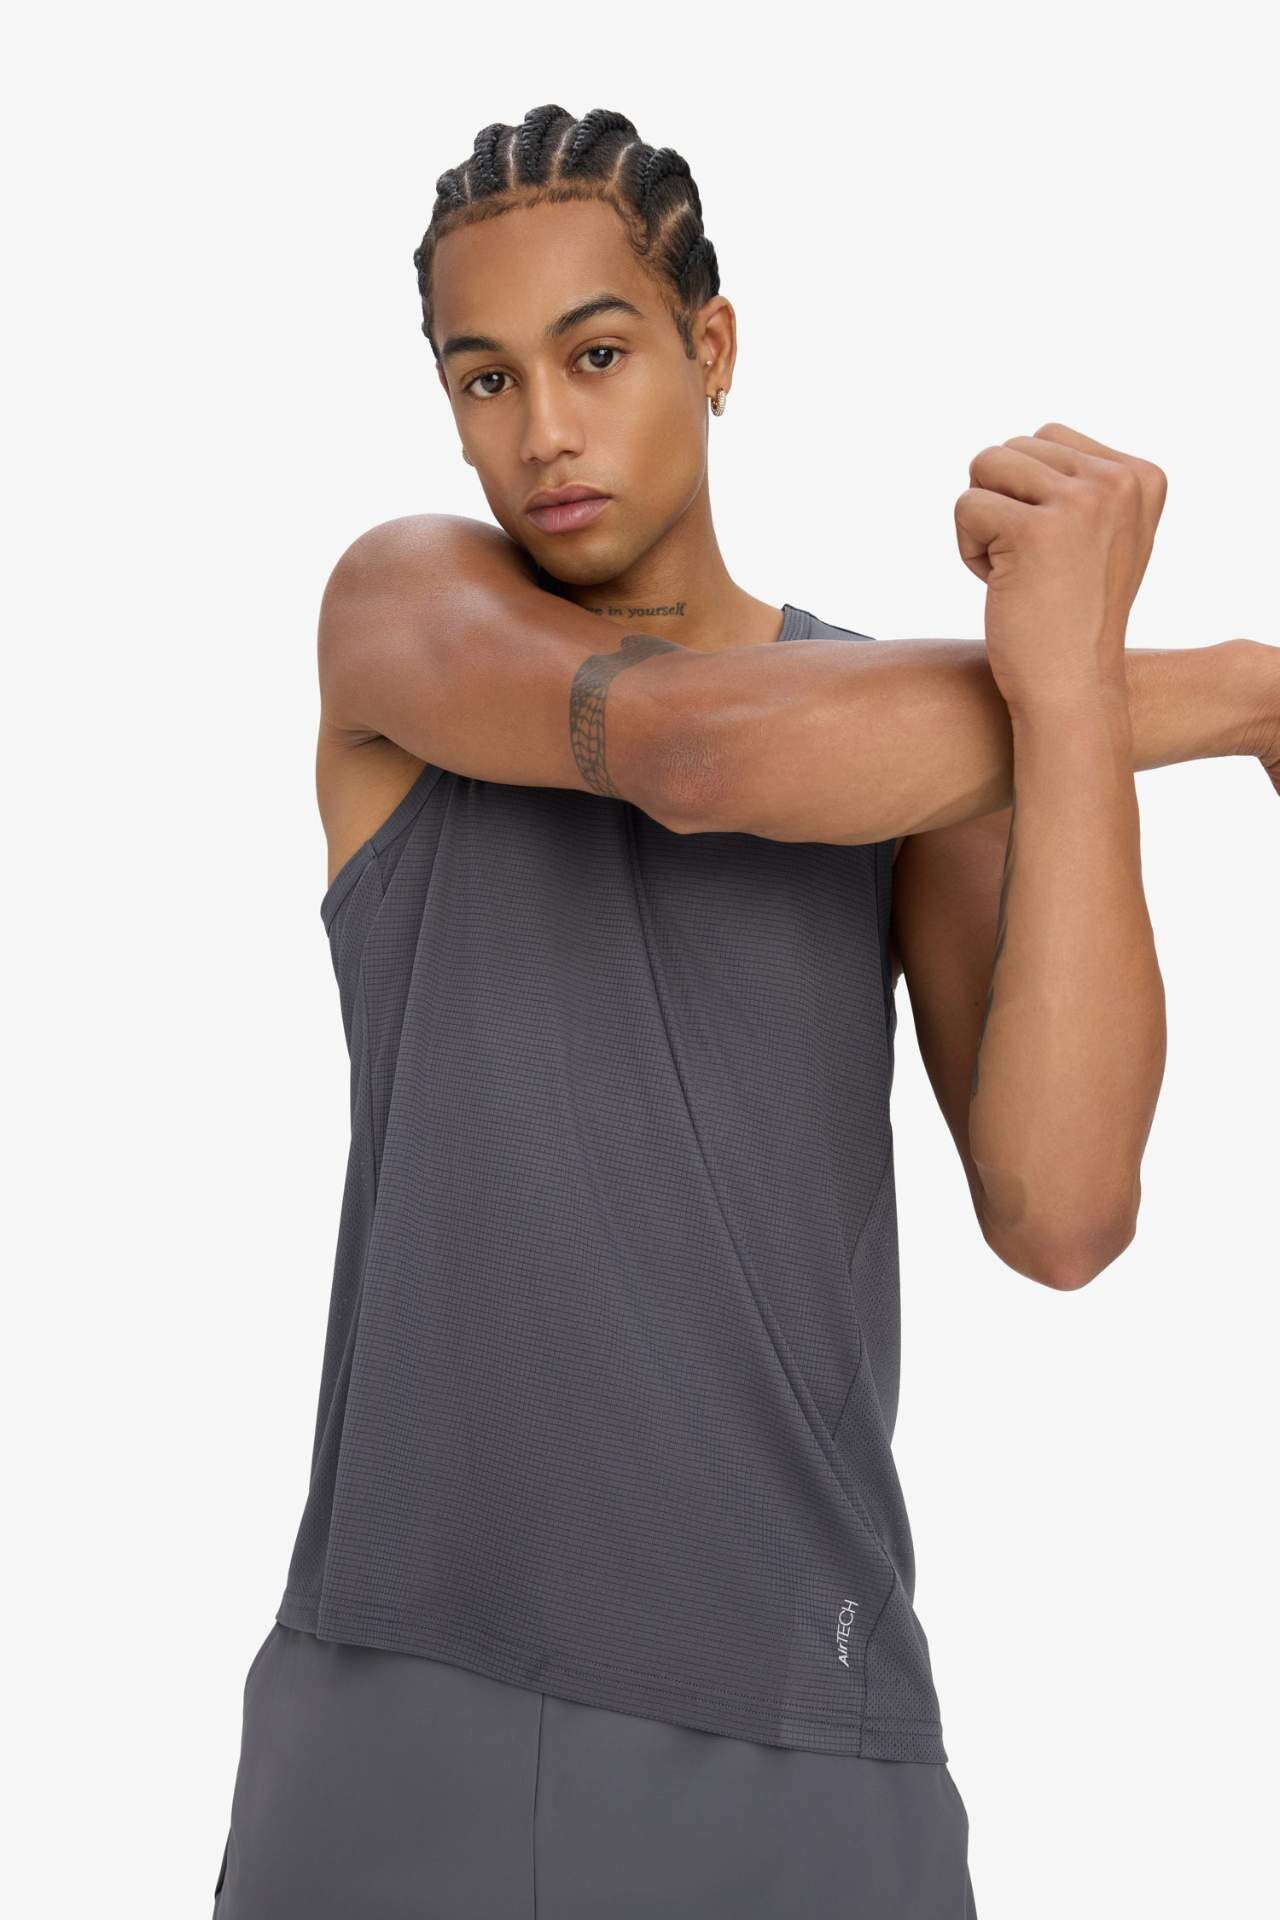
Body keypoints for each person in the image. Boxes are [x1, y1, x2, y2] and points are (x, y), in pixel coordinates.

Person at [210, 104, 1278, 1918]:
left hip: (801, 1730)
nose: (542, 431)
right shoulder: (403, 613)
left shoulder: (926, 749)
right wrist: (1238, 692)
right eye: (484, 378)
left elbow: (1065, 1211)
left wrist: (1069, 713)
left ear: (712, 346)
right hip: (397, 1712)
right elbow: (696, 752)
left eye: (597, 354)